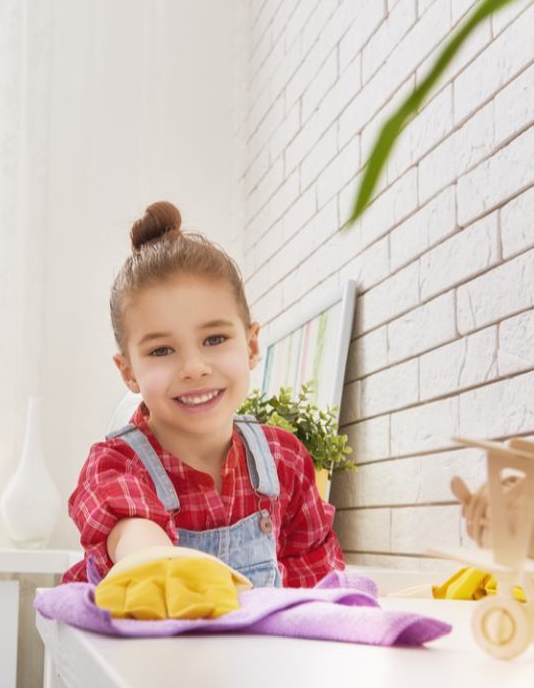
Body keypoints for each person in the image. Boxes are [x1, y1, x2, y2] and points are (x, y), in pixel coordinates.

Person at [63, 201, 344, 618]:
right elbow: (136, 539)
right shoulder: (116, 466)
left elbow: (318, 587)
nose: (194, 367)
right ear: (129, 373)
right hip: (149, 669)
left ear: (250, 346)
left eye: (214, 339)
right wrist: (159, 566)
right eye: (161, 350)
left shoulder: (285, 461)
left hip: (256, 669)